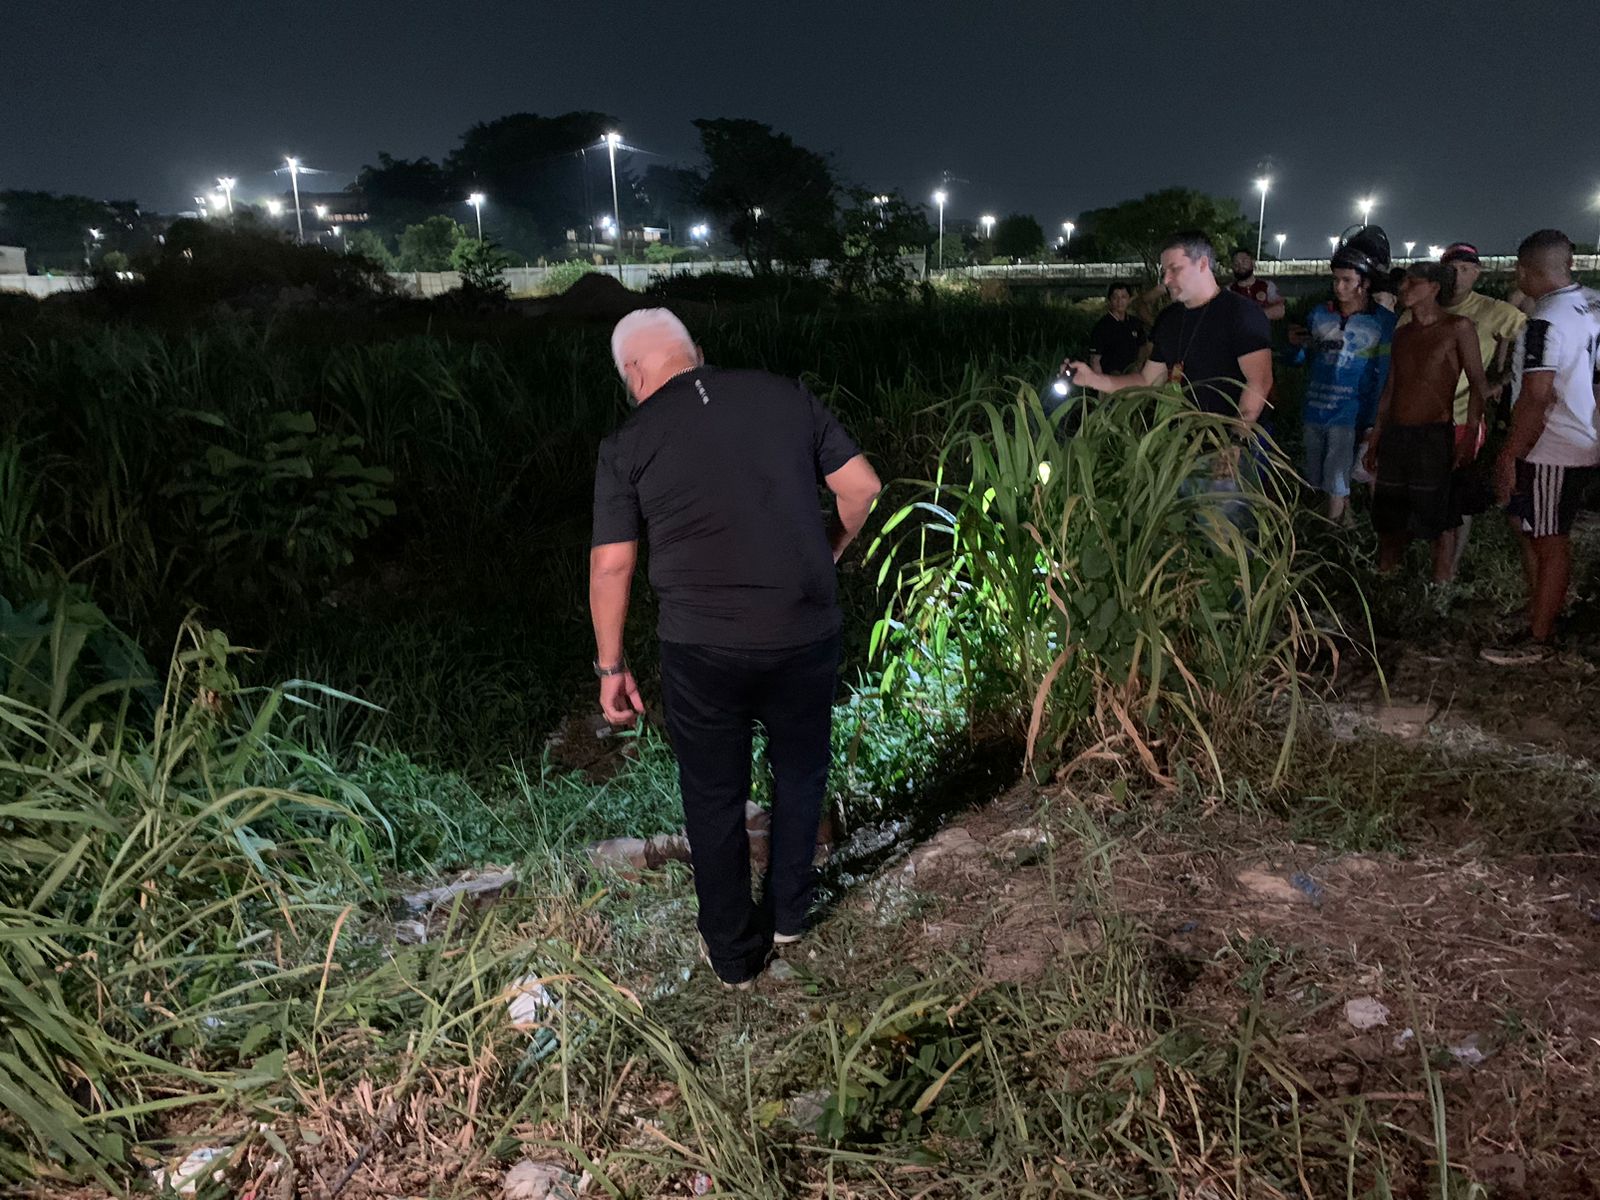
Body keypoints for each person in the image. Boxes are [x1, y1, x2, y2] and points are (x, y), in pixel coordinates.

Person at [589, 309, 882, 988]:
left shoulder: (628, 442)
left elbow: (611, 567)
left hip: (704, 648)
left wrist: (611, 666)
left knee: (714, 795)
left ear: (634, 371)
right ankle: (788, 915)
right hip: (803, 629)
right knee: (801, 771)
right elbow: (861, 487)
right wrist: (830, 549)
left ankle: (732, 956)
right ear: (694, 351)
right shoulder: (784, 395)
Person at [1482, 230, 1600, 663]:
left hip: (1554, 443)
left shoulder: (1546, 321)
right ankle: (1542, 608)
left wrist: (1510, 452)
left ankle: (1540, 637)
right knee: (1527, 523)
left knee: (1549, 538)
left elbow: (1535, 396)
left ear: (1526, 270)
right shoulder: (1593, 303)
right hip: (1582, 434)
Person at [1398, 242, 1527, 573]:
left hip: (1461, 422)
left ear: (1477, 273)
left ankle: (1446, 573)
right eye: (1450, 269)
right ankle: (1434, 568)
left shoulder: (1493, 310)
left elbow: (1537, 337)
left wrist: (1501, 382)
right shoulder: (1417, 309)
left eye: (1465, 270)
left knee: (1452, 497)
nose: (1457, 276)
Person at [1362, 263, 1489, 581]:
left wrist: (1469, 434)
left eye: (1412, 282)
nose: (1404, 288)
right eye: (1403, 283)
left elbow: (1478, 384)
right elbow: (1391, 388)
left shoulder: (1458, 327)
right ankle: (1385, 579)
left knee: (1437, 519)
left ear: (1433, 287)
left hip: (1433, 436)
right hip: (1397, 435)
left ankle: (1440, 586)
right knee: (1389, 518)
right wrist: (1376, 437)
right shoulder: (1403, 333)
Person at [1295, 246, 1395, 520]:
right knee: (1315, 475)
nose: (1339, 287)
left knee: (1337, 475)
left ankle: (1333, 533)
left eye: (1347, 280)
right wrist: (1296, 348)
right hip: (1315, 407)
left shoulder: (1382, 322)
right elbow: (1304, 357)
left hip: (1350, 412)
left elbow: (1384, 372)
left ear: (1364, 283)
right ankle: (1340, 522)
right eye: (1336, 279)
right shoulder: (1319, 314)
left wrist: (1374, 419)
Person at [1088, 281, 1148, 376]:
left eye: (1123, 297)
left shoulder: (1135, 323)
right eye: (1115, 298)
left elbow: (1143, 346)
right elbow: (1095, 360)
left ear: (1129, 299)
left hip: (1133, 377)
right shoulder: (1102, 326)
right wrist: (1100, 383)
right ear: (1109, 300)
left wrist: (1138, 366)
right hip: (1111, 377)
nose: (1120, 302)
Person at [1228, 247, 1287, 321]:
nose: (1240, 266)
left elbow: (1280, 310)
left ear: (1253, 262)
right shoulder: (1229, 290)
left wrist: (1250, 317)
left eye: (1244, 261)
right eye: (1236, 263)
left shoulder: (1267, 286)